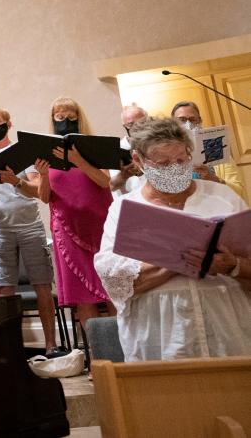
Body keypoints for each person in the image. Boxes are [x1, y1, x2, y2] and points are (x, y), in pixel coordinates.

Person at [94, 118, 251, 360]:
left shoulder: (223, 197)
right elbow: (114, 281)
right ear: (139, 160)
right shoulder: (125, 209)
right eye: (163, 163)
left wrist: (232, 265)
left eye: (181, 160)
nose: (175, 168)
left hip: (226, 326)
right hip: (160, 333)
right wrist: (177, 260)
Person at [0, 107, 63, 357]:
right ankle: (12, 347)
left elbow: (37, 191)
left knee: (42, 284)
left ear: (8, 124)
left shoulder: (22, 153)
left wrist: (14, 181)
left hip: (30, 227)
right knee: (4, 289)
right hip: (0, 229)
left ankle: (51, 345)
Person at [33, 97, 112, 332]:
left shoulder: (91, 145)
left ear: (79, 118)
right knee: (82, 295)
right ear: (52, 119)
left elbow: (104, 180)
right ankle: (99, 357)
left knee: (110, 288)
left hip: (99, 226)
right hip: (66, 227)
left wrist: (78, 160)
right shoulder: (46, 149)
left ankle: (124, 357)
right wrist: (44, 175)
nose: (65, 121)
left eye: (70, 117)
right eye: (60, 117)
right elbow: (45, 197)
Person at [172, 100, 237, 189]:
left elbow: (239, 189)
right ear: (173, 123)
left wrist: (215, 180)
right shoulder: (166, 154)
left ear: (200, 120)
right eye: (182, 120)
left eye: (192, 119)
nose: (188, 124)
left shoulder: (219, 150)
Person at [111, 104, 149, 197]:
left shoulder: (158, 145)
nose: (137, 127)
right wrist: (124, 175)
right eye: (131, 124)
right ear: (124, 126)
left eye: (141, 122)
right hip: (130, 201)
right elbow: (113, 187)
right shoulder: (117, 150)